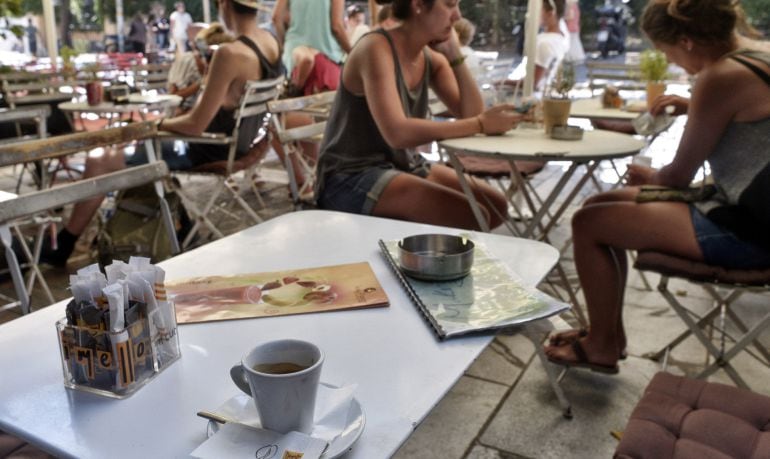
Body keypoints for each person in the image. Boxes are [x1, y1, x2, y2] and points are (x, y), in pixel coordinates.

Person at [544, 0, 770, 373]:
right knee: (598, 205)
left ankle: (602, 345)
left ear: (687, 40)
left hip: (752, 233)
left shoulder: (721, 76)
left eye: (668, 53)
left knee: (589, 223)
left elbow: (677, 176)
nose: (675, 63)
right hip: (751, 210)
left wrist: (650, 177)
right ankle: (606, 335)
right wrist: (694, 103)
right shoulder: (756, 55)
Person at [39, 0, 283, 268]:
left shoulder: (229, 53)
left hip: (205, 146)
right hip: (242, 144)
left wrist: (156, 125)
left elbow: (195, 125)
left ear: (224, 5)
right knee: (122, 156)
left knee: (101, 158)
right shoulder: (270, 43)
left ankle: (65, 244)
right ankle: (175, 224)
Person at [314, 0, 523, 231]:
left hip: (404, 165)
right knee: (473, 215)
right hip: (350, 176)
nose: (458, 16)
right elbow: (397, 132)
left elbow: (471, 113)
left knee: (495, 207)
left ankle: (423, 259)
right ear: (418, 5)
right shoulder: (375, 48)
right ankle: (420, 261)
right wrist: (480, 124)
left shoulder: (429, 58)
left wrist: (454, 54)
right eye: (450, 5)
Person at [272, 0, 352, 95]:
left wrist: (285, 44)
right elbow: (336, 27)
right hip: (326, 61)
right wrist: (353, 52)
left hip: (296, 59)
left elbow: (276, 18)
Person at [505, 0, 569, 94]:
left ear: (550, 13)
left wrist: (503, 82)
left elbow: (533, 82)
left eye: (540, 9)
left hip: (533, 96)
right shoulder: (560, 38)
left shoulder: (545, 43)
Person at [167, 23, 234, 114]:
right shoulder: (187, 61)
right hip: (182, 115)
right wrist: (202, 83)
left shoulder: (225, 67)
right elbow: (172, 96)